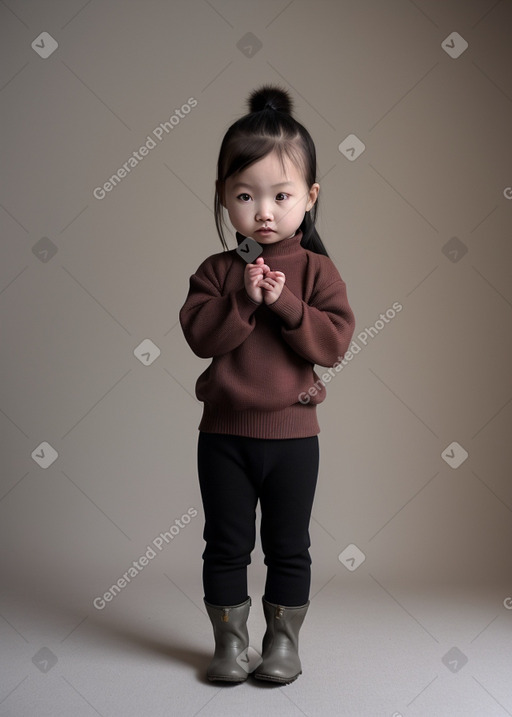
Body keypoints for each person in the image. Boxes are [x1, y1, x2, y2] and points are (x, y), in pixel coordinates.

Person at [179, 84, 355, 684]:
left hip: (292, 437)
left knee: (289, 546)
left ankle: (282, 644)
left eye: (281, 195)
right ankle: (229, 645)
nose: (264, 211)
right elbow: (201, 338)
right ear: (224, 198)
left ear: (309, 196)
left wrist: (285, 306)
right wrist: (243, 301)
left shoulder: (317, 271)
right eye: (246, 195)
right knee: (225, 545)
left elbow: (332, 346)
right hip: (224, 435)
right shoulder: (216, 271)